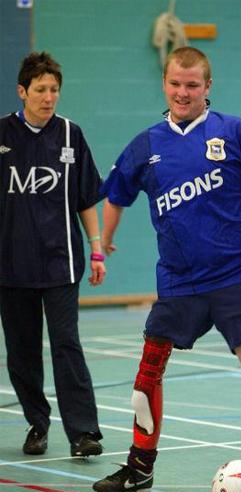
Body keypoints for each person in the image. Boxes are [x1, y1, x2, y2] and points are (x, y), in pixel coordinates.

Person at [92, 47, 241, 492]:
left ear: (207, 87)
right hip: (180, 281)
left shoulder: (234, 131)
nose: (183, 92)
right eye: (176, 83)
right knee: (147, 373)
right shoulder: (146, 144)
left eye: (192, 85)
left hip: (240, 274)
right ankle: (139, 467)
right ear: (165, 84)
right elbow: (116, 194)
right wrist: (104, 242)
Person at [0, 52, 105, 458]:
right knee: (22, 351)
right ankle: (36, 424)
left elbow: (85, 200)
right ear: (22, 91)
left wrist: (96, 250)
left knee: (67, 344)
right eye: (40, 90)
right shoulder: (4, 135)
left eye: (54, 90)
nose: (49, 98)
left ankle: (84, 433)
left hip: (61, 264)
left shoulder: (70, 135)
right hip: (10, 267)